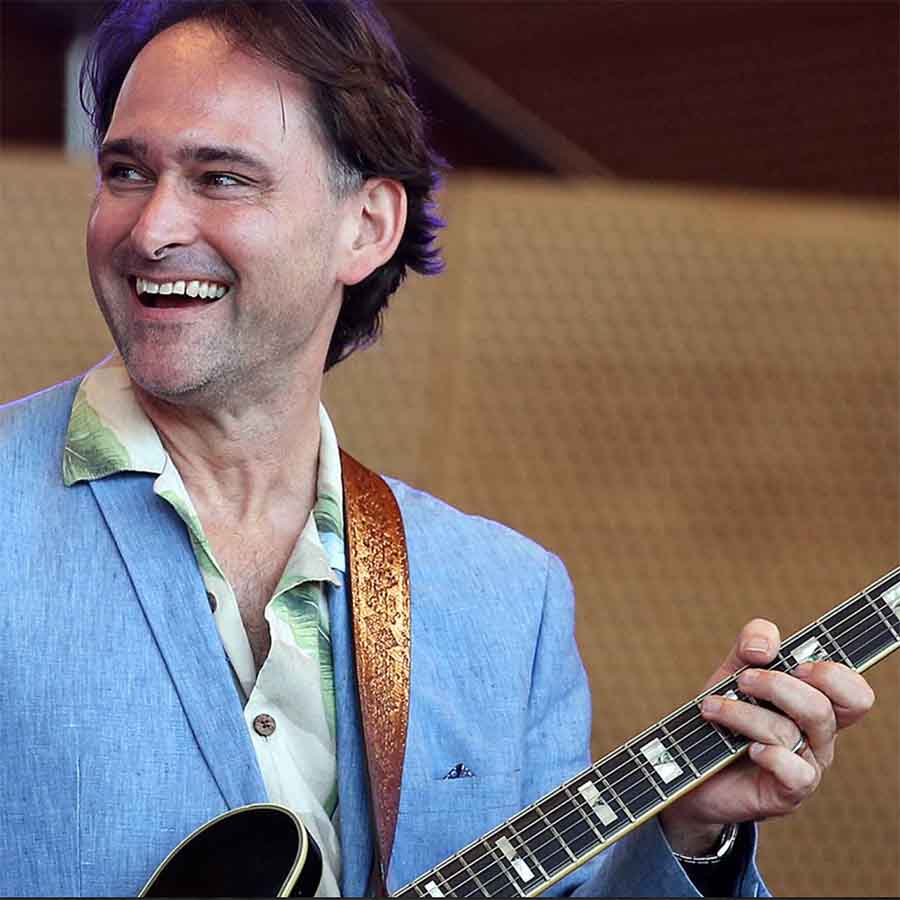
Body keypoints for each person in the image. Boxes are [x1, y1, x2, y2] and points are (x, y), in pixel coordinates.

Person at [0, 1, 875, 896]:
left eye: (221, 177)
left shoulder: (505, 600)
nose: (151, 229)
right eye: (126, 171)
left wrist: (690, 836)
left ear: (367, 225)